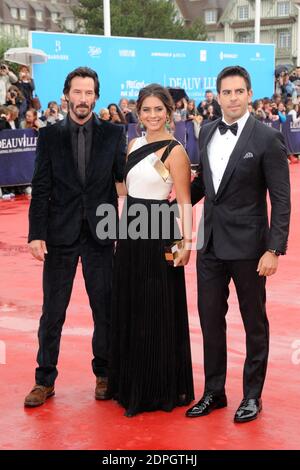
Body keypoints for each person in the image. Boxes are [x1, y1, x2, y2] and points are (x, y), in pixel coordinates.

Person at [185, 66, 290, 423]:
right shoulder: (207, 131)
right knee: (210, 320)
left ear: (249, 94)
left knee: (253, 323)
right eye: (225, 92)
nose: (232, 98)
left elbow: (281, 198)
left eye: (238, 92)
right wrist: (168, 205)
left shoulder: (267, 138)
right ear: (217, 96)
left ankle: (252, 396)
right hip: (210, 245)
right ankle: (214, 391)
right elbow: (205, 185)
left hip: (250, 249)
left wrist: (273, 249)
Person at [24, 67, 126, 407]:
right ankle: (44, 379)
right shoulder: (49, 136)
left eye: (88, 93)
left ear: (96, 96)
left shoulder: (113, 134)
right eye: (77, 92)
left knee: (104, 310)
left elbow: (124, 179)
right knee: (52, 311)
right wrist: (36, 234)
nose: (83, 99)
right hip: (59, 235)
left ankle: (105, 373)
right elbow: (40, 187)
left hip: (100, 235)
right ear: (67, 94)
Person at [108, 84, 194, 417]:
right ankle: (130, 382)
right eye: (147, 110)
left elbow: (184, 200)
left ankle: (157, 387)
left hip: (160, 229)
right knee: (131, 304)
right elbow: (127, 190)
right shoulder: (133, 144)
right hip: (130, 230)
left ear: (169, 113)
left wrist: (186, 243)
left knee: (157, 307)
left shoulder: (176, 152)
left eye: (159, 109)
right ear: (138, 113)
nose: (153, 115)